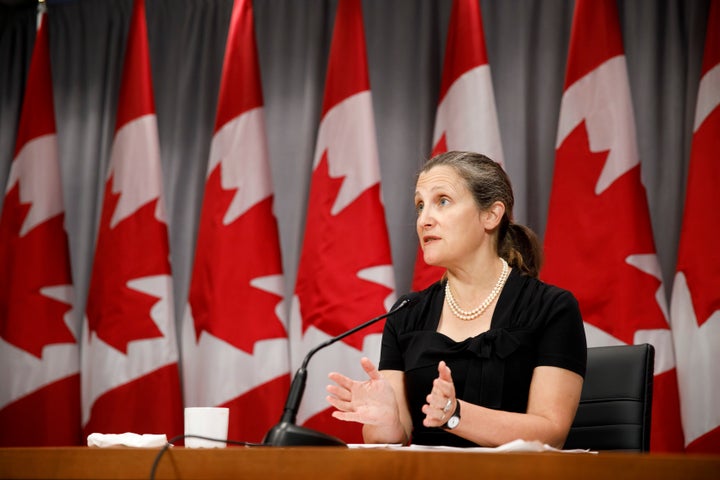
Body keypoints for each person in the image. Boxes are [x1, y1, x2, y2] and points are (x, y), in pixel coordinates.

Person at [326, 151, 586, 448]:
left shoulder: (550, 308)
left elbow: (551, 431)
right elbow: (390, 441)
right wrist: (385, 421)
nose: (424, 220)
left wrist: (455, 414)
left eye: (442, 201)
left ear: (490, 215)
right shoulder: (407, 313)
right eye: (420, 206)